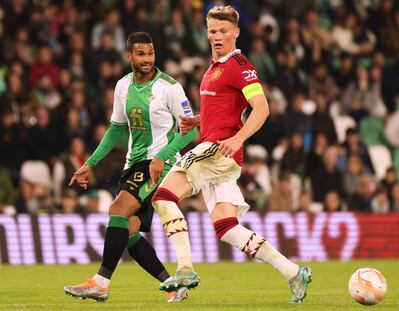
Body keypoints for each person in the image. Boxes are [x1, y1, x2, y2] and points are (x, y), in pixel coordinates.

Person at [151, 6, 312, 304]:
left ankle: (185, 269)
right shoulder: (214, 68)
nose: (217, 36)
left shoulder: (240, 66)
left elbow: (261, 108)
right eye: (212, 31)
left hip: (219, 149)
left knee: (162, 197)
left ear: (236, 32)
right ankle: (293, 272)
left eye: (224, 31)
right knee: (226, 228)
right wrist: (198, 120)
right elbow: (225, 108)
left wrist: (238, 138)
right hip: (219, 151)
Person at [63, 32, 197, 302]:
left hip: (159, 163)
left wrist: (163, 156)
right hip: (134, 163)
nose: (147, 59)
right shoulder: (123, 86)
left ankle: (100, 283)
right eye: (140, 54)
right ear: (128, 56)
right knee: (130, 229)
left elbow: (190, 132)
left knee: (117, 210)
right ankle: (174, 286)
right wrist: (90, 163)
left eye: (150, 53)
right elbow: (116, 129)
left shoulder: (169, 87)